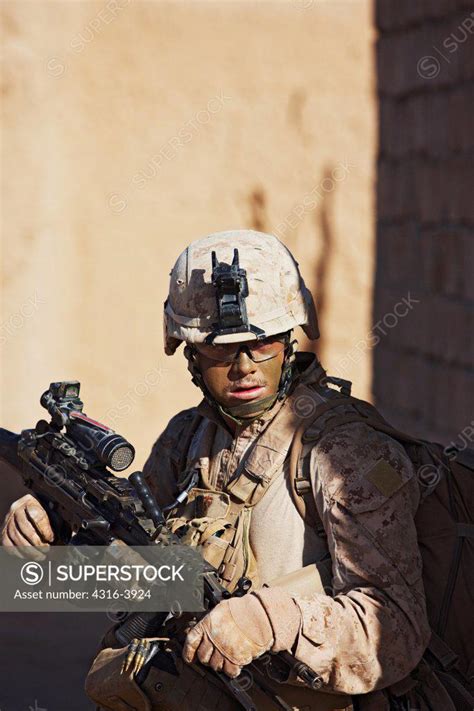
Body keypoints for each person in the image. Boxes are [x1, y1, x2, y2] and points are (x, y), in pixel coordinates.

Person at [3, 230, 442, 710]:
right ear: (189, 353)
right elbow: (141, 565)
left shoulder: (346, 455)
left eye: (264, 344)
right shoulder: (190, 437)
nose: (244, 367)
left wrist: (269, 621)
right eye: (219, 349)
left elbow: (395, 629)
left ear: (290, 340)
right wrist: (55, 522)